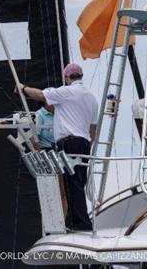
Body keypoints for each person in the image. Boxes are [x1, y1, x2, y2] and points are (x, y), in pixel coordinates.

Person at [19, 63, 98, 231]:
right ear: (81, 75)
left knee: (71, 183)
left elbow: (40, 95)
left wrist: (23, 88)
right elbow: (93, 128)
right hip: (84, 143)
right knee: (78, 183)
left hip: (69, 142)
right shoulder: (91, 97)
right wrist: (87, 143)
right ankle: (75, 221)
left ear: (67, 78)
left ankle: (81, 224)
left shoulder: (66, 91)